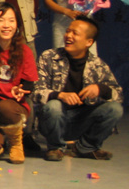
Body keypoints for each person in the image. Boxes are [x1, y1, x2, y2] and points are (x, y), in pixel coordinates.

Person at [33, 16, 123, 161]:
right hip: (54, 118)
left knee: (115, 109)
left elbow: (118, 94)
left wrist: (100, 89)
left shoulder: (97, 65)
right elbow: (35, 91)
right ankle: (56, 148)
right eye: (68, 31)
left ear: (89, 42)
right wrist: (59, 95)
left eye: (75, 33)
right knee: (54, 106)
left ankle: (86, 148)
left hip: (81, 120)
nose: (68, 35)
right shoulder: (49, 57)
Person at [0, 2, 38, 164]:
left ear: (17, 24)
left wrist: (22, 89)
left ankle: (16, 142)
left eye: (11, 20)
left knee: (6, 107)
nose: (6, 25)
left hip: (13, 106)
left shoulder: (25, 51)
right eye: (1, 20)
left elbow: (30, 84)